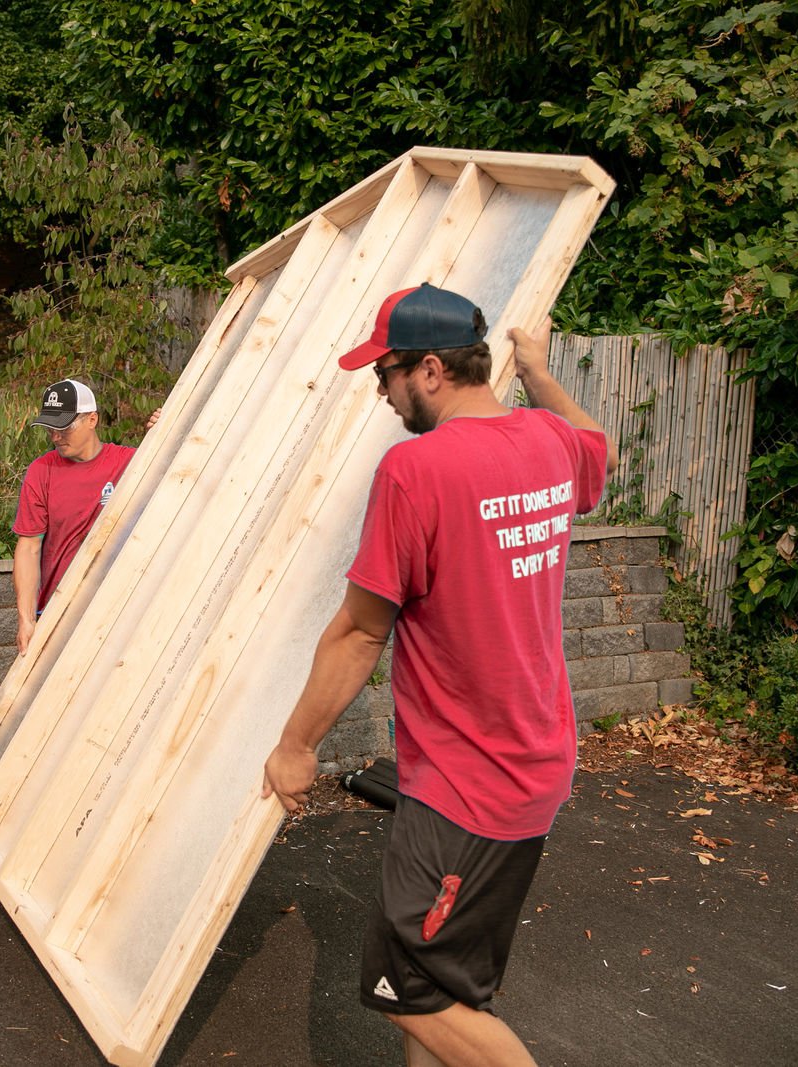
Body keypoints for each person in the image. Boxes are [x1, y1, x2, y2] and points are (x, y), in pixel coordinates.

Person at [262, 283, 617, 1067]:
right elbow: (601, 446)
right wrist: (540, 373)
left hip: (466, 779)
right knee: (456, 988)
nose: (379, 393)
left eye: (383, 374)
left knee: (407, 985)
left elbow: (359, 631)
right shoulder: (548, 441)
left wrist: (295, 742)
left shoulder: (415, 470)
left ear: (428, 369)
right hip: (534, 762)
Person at [12, 378, 156, 655]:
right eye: (51, 428)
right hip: (58, 613)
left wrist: (162, 433)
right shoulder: (41, 472)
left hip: (121, 611)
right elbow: (28, 548)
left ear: (92, 419)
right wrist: (26, 619)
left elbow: (183, 475)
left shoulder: (131, 463)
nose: (56, 436)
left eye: (65, 426)